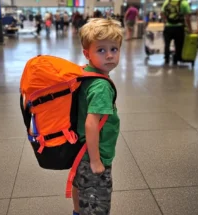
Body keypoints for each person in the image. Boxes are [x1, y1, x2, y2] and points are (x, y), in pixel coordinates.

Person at [72, 18, 123, 215]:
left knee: (81, 188)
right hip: (95, 153)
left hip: (80, 151)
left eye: (114, 49)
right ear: (87, 54)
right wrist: (95, 160)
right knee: (97, 203)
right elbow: (91, 123)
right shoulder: (101, 86)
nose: (109, 55)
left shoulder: (87, 73)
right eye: (101, 50)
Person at [161, 0, 192, 65]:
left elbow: (162, 13)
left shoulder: (167, 1)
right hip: (179, 27)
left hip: (168, 27)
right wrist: (190, 29)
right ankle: (176, 59)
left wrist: (165, 21)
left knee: (167, 44)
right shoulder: (184, 3)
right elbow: (187, 18)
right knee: (178, 45)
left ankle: (166, 59)